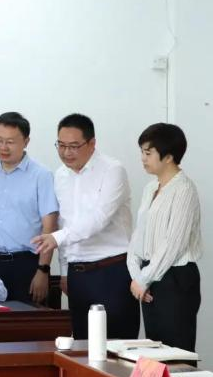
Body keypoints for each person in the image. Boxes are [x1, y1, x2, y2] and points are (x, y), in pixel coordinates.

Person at [32, 113, 139, 340]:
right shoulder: (60, 175)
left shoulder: (112, 170)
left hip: (112, 271)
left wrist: (56, 238)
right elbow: (64, 222)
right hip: (78, 275)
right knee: (83, 346)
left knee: (119, 345)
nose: (66, 152)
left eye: (73, 146)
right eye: (61, 145)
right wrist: (64, 271)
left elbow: (99, 219)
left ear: (92, 143)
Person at [127, 123, 202, 351]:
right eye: (142, 152)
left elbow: (173, 243)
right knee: (155, 349)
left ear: (168, 157)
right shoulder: (150, 188)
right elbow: (139, 235)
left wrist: (144, 279)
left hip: (175, 277)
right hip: (149, 277)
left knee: (177, 351)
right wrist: (137, 275)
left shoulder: (184, 189)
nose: (143, 158)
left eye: (148, 153)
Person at [0, 112, 59, 304]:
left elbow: (50, 226)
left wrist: (43, 269)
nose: (3, 147)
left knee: (28, 319)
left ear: (26, 141)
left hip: (27, 264)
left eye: (10, 142)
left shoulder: (41, 175)